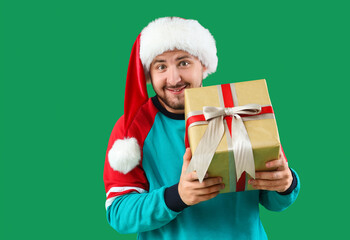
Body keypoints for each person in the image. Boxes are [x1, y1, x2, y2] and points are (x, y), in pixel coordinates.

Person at [103, 17, 300, 239]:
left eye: (184, 63)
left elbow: (274, 200)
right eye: (161, 66)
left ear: (203, 64)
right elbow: (119, 213)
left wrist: (286, 184)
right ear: (149, 74)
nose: (174, 78)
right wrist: (176, 197)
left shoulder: (240, 109)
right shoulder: (132, 127)